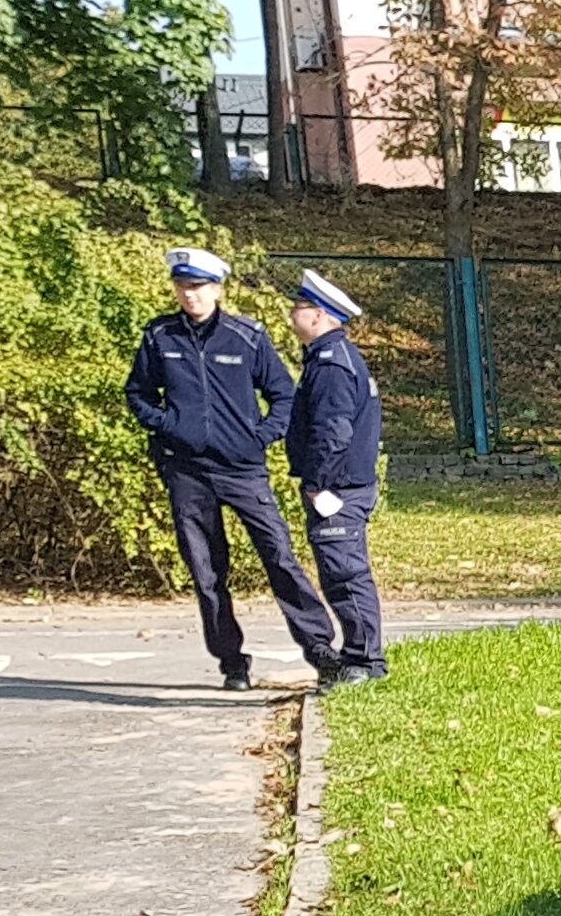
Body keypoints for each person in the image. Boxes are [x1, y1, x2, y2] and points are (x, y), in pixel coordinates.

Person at [125, 249, 330, 691]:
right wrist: (169, 426)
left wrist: (259, 436)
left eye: (198, 287)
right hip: (187, 471)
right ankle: (232, 663)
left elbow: (284, 395)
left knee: (279, 556)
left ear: (217, 289)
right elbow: (138, 394)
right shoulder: (159, 336)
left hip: (243, 470)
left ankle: (321, 650)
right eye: (182, 286)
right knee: (206, 571)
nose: (190, 295)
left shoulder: (245, 337)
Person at [283, 271, 391, 686]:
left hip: (338, 488)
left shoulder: (331, 366)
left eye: (298, 307)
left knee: (345, 573)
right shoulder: (332, 359)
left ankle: (366, 662)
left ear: (319, 315)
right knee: (339, 570)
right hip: (341, 485)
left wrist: (317, 484)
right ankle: (358, 655)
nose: (292, 314)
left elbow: (333, 432)